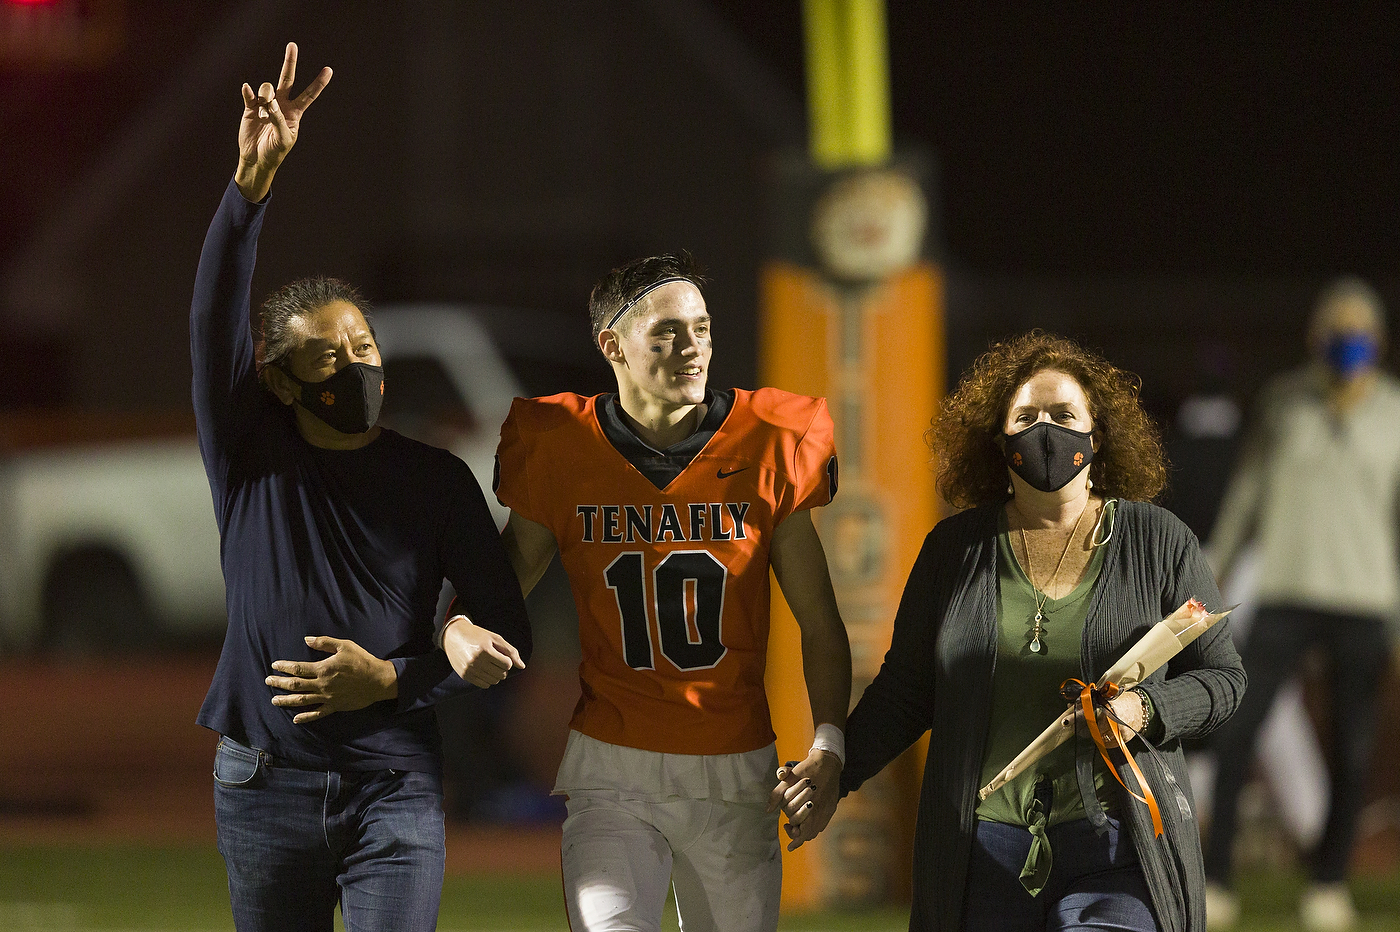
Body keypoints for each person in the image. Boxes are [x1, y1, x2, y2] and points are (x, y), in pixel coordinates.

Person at [193, 43, 530, 932]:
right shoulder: (250, 455)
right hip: (264, 780)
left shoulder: (436, 480)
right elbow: (213, 321)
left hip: (396, 785)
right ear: (282, 379)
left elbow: (507, 629)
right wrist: (248, 191)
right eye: (330, 356)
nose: (358, 365)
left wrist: (395, 676)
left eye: (366, 346)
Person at [443, 255, 852, 931]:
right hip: (613, 768)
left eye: (702, 328)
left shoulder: (772, 439)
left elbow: (820, 619)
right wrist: (456, 627)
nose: (693, 349)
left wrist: (830, 745)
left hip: (736, 766)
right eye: (667, 333)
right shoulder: (562, 444)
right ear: (613, 346)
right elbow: (503, 578)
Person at [827, 332, 1245, 932]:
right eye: (1026, 417)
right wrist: (834, 773)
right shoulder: (954, 550)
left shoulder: (1160, 541)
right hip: (980, 857)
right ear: (999, 441)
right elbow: (905, 692)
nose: (1046, 429)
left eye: (1064, 415)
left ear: (1097, 435)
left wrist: (1146, 708)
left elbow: (1225, 679)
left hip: (1115, 851)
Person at [1203, 277, 1400, 932]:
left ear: (1378, 340)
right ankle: (1216, 881)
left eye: (1360, 330)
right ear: (1316, 337)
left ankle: (1328, 882)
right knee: (1235, 734)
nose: (1348, 342)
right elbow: (1245, 498)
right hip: (1286, 593)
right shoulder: (1283, 403)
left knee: (1351, 750)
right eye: (1336, 328)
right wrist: (1211, 574)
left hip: (1364, 600)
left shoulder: (1395, 412)